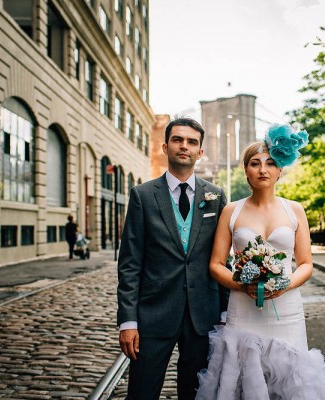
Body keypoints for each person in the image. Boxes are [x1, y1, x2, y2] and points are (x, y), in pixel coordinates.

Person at [196, 124, 325, 399]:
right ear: (245, 170)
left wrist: (285, 284)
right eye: (255, 163)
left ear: (280, 170)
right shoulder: (231, 211)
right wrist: (241, 285)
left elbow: (306, 264)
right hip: (243, 309)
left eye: (270, 163)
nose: (263, 169)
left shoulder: (295, 210)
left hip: (288, 309)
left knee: (291, 379)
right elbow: (215, 264)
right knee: (242, 375)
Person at [117, 117, 228, 400]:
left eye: (192, 142)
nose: (184, 146)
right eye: (178, 140)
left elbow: (223, 258)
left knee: (195, 394)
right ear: (165, 146)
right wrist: (128, 321)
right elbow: (130, 263)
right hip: (153, 315)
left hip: (203, 315)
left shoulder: (216, 196)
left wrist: (228, 313)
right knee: (142, 393)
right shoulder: (142, 195)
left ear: (200, 152)